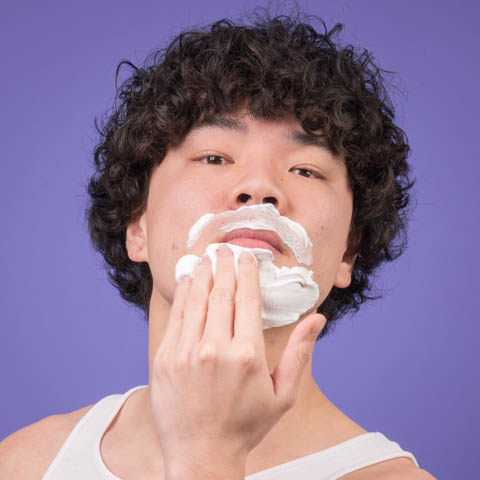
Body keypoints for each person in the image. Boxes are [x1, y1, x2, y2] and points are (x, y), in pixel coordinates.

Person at [0, 8, 436, 480]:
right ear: (137, 225)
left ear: (348, 252)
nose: (259, 187)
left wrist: (206, 452)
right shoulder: (25, 463)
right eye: (214, 157)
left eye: (305, 170)